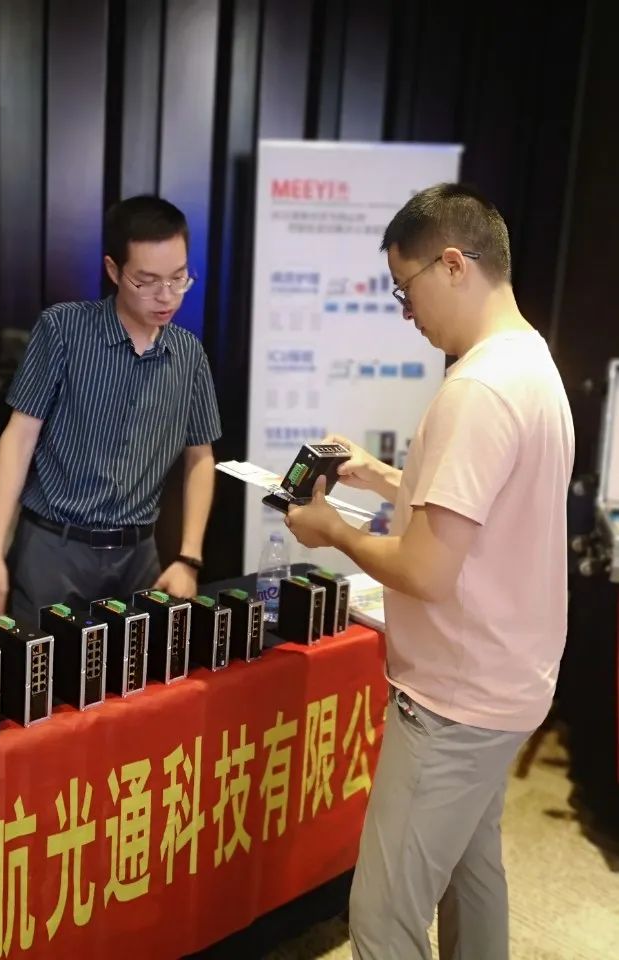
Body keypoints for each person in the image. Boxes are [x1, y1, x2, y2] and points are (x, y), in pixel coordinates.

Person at [285, 183, 574, 960]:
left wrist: (331, 532)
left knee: (382, 917)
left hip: (454, 697)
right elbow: (481, 510)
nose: (405, 311)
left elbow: (424, 569)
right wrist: (385, 478)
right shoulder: (530, 362)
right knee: (472, 875)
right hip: (507, 681)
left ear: (451, 264)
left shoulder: (476, 388)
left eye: (403, 287)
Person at [0, 195, 222, 624]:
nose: (166, 296)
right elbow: (19, 438)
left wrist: (189, 558)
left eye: (178, 278)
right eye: (147, 281)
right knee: (43, 665)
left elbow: (200, 457)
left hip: (140, 556)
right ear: (113, 270)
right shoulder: (63, 330)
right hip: (54, 549)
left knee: (142, 668)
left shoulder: (189, 355)